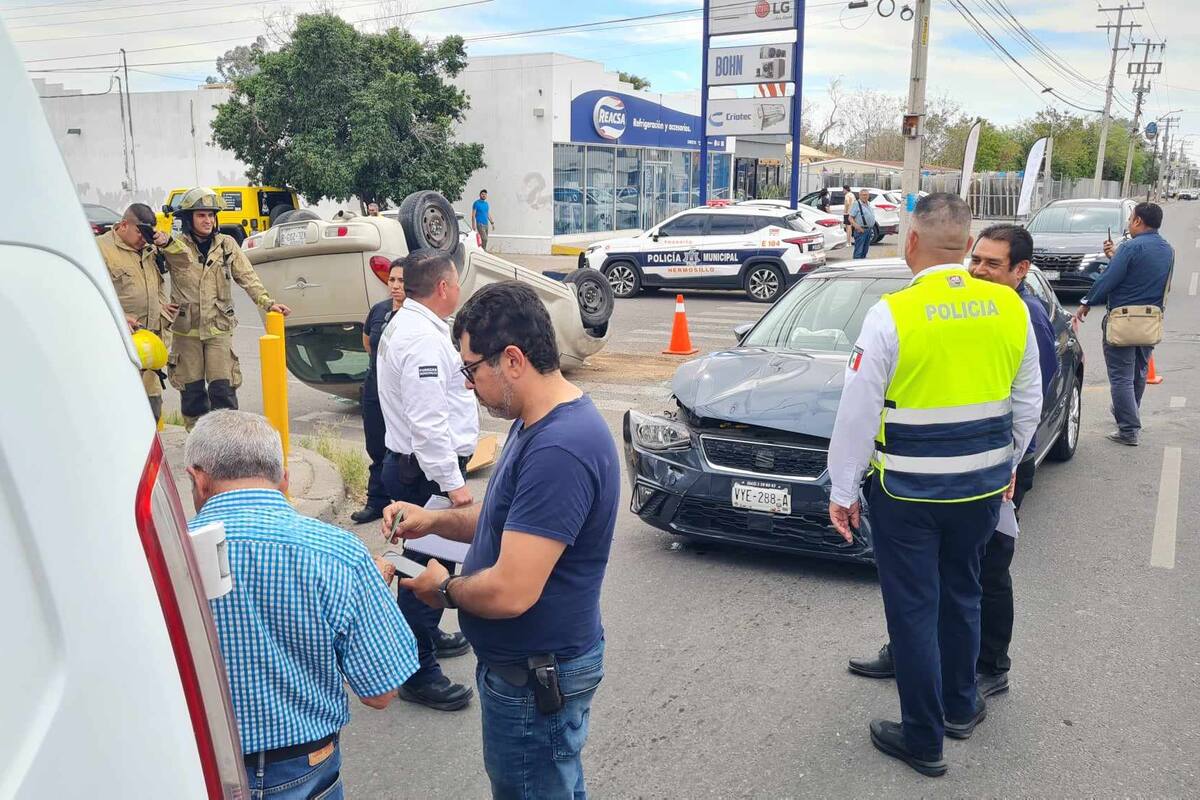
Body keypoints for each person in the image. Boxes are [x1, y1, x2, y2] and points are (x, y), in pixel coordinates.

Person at [827, 194, 1042, 777]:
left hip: (908, 495)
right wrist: (1005, 469)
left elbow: (856, 413)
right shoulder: (1008, 308)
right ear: (967, 244)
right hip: (979, 491)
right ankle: (959, 706)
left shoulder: (892, 314)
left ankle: (923, 737)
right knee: (964, 591)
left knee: (914, 609)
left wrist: (842, 491)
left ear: (912, 243)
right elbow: (1028, 406)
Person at [384, 281, 620, 800]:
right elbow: (505, 520)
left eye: (471, 369)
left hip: (536, 678)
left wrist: (443, 590)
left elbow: (511, 591)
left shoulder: (559, 448)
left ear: (512, 360)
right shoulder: (534, 421)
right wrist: (432, 520)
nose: (468, 385)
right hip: (529, 670)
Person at [848, 224, 1058, 700]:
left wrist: (1009, 468)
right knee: (935, 577)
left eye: (992, 264)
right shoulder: (950, 308)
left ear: (1021, 271)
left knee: (985, 571)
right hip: (943, 463)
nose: (979, 270)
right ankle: (917, 657)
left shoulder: (1022, 316)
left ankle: (987, 666)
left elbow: (1030, 400)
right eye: (976, 259)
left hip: (996, 464)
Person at [185, 410, 418, 799]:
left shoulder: (162, 556)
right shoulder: (340, 556)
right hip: (305, 768)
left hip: (198, 766)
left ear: (198, 479)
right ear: (285, 479)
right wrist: (367, 591)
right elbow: (380, 692)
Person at [376, 249, 479, 711]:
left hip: (424, 469)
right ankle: (417, 669)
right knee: (422, 569)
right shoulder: (420, 338)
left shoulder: (419, 325)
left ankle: (428, 635)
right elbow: (428, 422)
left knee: (431, 564)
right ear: (442, 287)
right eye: (456, 281)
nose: (459, 288)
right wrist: (454, 486)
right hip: (427, 475)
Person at [167, 187, 291, 429]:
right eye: (201, 215)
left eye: (211, 215)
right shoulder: (176, 248)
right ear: (188, 219)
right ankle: (198, 442)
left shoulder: (226, 245)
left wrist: (267, 302)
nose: (208, 220)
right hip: (186, 333)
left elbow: (247, 276)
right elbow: (151, 274)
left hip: (218, 330)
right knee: (192, 394)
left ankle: (227, 441)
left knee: (222, 391)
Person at [1072, 202, 1174, 445]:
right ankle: (1127, 413)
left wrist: (1087, 301)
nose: (1129, 223)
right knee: (1139, 372)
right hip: (1150, 319)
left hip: (1123, 319)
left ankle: (1128, 429)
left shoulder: (1130, 247)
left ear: (1138, 221)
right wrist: (1115, 256)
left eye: (1130, 219)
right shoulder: (1167, 249)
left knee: (1120, 377)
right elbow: (1147, 276)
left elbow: (1109, 278)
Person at [96, 202, 188, 420]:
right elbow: (88, 293)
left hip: (150, 345)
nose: (143, 238)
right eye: (140, 231)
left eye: (147, 232)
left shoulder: (150, 247)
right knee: (120, 412)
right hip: (119, 345)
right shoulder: (100, 250)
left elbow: (185, 262)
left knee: (152, 410)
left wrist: (168, 242)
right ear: (124, 225)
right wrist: (118, 318)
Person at [351, 258, 405, 524]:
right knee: (376, 446)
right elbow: (368, 344)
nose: (394, 286)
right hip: (374, 388)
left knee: (402, 450)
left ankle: (406, 505)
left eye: (401, 281)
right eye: (392, 280)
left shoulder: (413, 315)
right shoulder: (379, 310)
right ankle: (377, 502)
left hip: (400, 393)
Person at [849, 188, 876, 260]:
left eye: (866, 195)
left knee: (864, 251)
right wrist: (857, 227)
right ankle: (856, 267)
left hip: (869, 230)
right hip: (861, 231)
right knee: (858, 252)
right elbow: (850, 218)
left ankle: (862, 267)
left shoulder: (868, 203)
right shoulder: (856, 204)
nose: (865, 196)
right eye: (863, 195)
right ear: (860, 196)